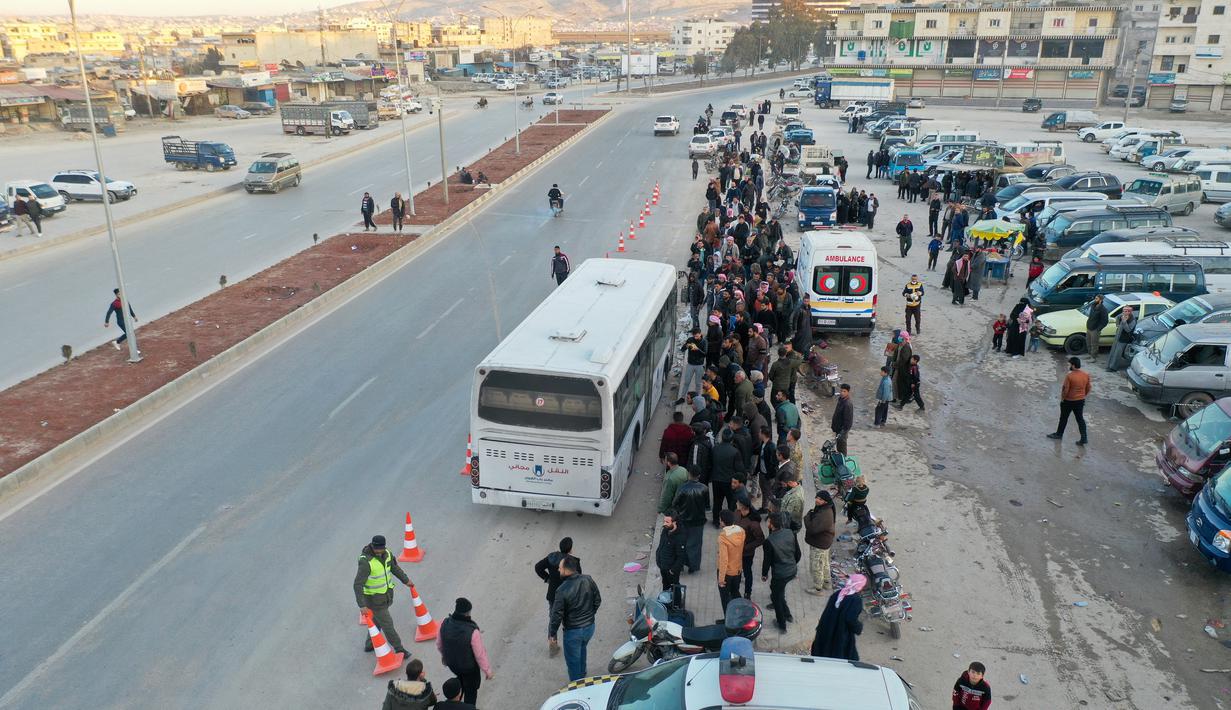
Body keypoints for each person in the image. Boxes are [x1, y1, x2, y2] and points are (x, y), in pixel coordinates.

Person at [354, 535, 412, 657]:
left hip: (385, 596)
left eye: (381, 548)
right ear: (372, 546)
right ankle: (399, 649)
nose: (379, 551)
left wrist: (406, 580)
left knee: (377, 621)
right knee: (388, 624)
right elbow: (357, 585)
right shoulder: (366, 562)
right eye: (377, 549)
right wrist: (362, 605)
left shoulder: (387, 554)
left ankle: (369, 644)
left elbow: (394, 568)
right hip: (374, 600)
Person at [549, 556, 602, 682]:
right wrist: (589, 614)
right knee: (582, 649)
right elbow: (597, 600)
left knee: (573, 662)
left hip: (573, 632)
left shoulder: (561, 590)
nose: (558, 570)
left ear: (567, 570)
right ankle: (582, 674)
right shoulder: (588, 579)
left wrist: (552, 634)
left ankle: (577, 686)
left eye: (560, 568)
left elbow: (556, 615)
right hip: (589, 627)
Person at [436, 598, 493, 705]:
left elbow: (439, 644)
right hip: (469, 668)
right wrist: (487, 671)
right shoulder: (472, 631)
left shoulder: (444, 623)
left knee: (461, 681)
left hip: (453, 664)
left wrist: (445, 656)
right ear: (468, 613)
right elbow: (479, 655)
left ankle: (456, 701)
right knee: (471, 691)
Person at [534, 538, 581, 655]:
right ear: (570, 549)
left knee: (553, 619)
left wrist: (547, 578)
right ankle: (570, 645)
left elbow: (538, 567)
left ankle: (553, 644)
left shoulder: (552, 557)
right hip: (568, 596)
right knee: (568, 619)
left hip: (553, 595)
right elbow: (578, 579)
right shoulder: (573, 562)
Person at [810, 573, 866, 660]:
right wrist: (859, 628)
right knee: (841, 655)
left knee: (823, 651)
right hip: (840, 633)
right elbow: (850, 619)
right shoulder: (856, 600)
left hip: (826, 629)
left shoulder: (838, 593)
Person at [761, 512, 800, 631]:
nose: (767, 523)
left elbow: (767, 561)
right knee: (779, 593)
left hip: (780, 574)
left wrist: (764, 574)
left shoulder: (769, 541)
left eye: (768, 521)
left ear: (771, 525)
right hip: (792, 570)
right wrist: (792, 564)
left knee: (776, 598)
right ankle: (788, 615)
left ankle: (781, 624)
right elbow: (798, 553)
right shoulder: (790, 533)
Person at [673, 466, 709, 573]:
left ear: (689, 474)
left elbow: (675, 504)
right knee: (695, 545)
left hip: (683, 520)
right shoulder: (704, 488)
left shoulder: (682, 488)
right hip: (698, 521)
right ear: (699, 475)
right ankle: (693, 566)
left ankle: (680, 565)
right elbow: (707, 506)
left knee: (681, 543)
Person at [1048, 357, 1091, 445]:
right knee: (1080, 419)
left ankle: (1059, 434)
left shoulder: (1070, 376)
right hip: (1080, 401)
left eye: (1070, 364)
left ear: (1073, 365)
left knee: (1063, 418)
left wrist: (1063, 398)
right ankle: (1084, 437)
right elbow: (1088, 387)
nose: (1069, 366)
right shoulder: (1086, 375)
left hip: (1069, 401)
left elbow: (1065, 389)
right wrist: (1083, 396)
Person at [711, 428, 746, 526]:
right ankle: (730, 521)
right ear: (731, 439)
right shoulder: (735, 451)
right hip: (729, 481)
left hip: (716, 479)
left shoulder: (715, 449)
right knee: (731, 502)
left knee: (717, 501)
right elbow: (739, 468)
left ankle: (716, 520)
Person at [804, 491, 837, 594]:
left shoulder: (825, 514)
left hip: (819, 544)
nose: (817, 500)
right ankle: (827, 582)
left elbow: (812, 528)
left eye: (820, 499)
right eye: (817, 497)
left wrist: (807, 516)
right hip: (824, 542)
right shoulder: (825, 508)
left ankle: (818, 588)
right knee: (824, 563)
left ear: (825, 501)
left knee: (816, 565)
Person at [717, 509, 746, 617]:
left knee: (725, 598)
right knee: (735, 592)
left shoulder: (723, 538)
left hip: (727, 573)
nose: (719, 522)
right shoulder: (741, 531)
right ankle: (741, 615)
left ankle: (729, 620)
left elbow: (723, 560)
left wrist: (721, 579)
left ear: (723, 522)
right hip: (737, 570)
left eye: (720, 520)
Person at [735, 500, 764, 599]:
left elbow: (760, 539)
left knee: (747, 572)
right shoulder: (737, 513)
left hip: (747, 554)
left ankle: (748, 593)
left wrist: (746, 548)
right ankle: (735, 590)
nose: (736, 504)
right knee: (737, 571)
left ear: (743, 507)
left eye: (738, 503)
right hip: (736, 551)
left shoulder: (753, 524)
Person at [657, 513, 688, 592]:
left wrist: (673, 570)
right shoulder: (665, 530)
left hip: (671, 569)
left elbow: (681, 556)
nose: (664, 524)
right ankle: (666, 601)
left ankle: (676, 603)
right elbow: (661, 546)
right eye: (664, 521)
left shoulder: (680, 537)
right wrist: (658, 560)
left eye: (667, 522)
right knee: (665, 584)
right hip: (663, 566)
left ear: (674, 522)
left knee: (674, 587)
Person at [1108, 305, 1137, 372]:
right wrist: (1118, 324)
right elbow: (1117, 318)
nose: (1125, 312)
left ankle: (1113, 368)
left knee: (1117, 354)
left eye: (1127, 311)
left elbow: (1128, 330)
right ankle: (1109, 365)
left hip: (1124, 339)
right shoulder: (1122, 316)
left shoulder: (1132, 320)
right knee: (1113, 351)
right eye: (1124, 311)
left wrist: (1124, 322)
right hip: (1118, 336)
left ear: (1130, 312)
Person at [1084, 294, 1109, 365]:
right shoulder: (1093, 305)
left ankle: (1093, 357)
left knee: (1094, 344)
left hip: (1095, 329)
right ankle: (1089, 354)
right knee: (1088, 342)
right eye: (1095, 298)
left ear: (1100, 300)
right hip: (1089, 327)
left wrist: (1098, 329)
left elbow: (1105, 321)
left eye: (1096, 299)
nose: (1095, 300)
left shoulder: (1103, 309)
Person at [831, 384, 853, 455]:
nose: (842, 393)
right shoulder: (841, 400)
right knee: (839, 447)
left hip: (842, 431)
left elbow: (848, 422)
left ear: (848, 392)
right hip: (838, 429)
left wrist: (842, 433)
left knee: (842, 450)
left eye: (844, 391)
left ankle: (843, 464)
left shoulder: (847, 404)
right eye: (841, 391)